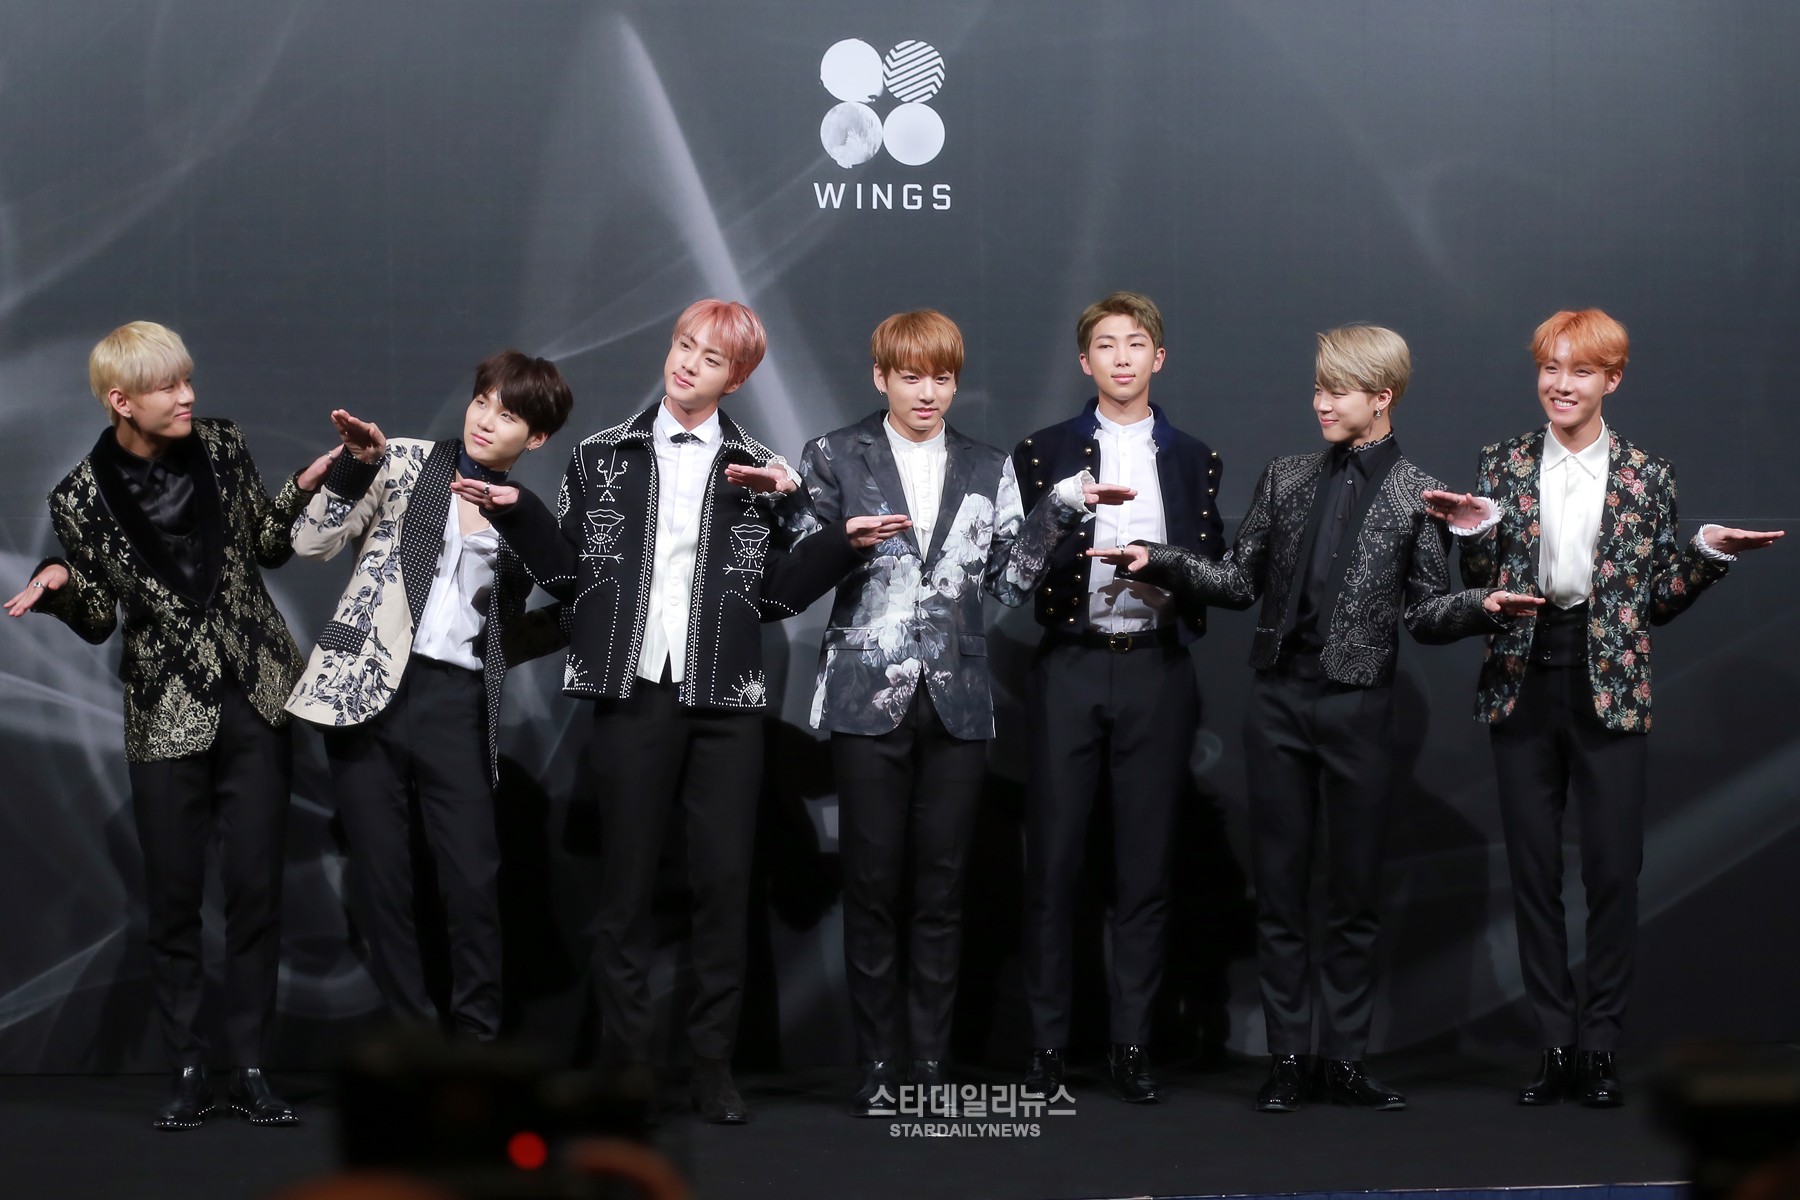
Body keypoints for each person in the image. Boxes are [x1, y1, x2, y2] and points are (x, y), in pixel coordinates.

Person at [457, 300, 897, 1123]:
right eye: (684, 345)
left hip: (725, 701)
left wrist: (840, 541)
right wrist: (517, 514)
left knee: (724, 887)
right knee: (623, 889)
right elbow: (571, 577)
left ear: (738, 378)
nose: (688, 363)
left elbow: (776, 596)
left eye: (711, 358)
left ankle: (712, 1067)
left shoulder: (762, 468)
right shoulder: (603, 454)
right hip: (631, 694)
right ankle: (625, 1068)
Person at [1092, 323, 1511, 1113]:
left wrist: (1481, 605)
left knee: (1353, 894)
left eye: (1338, 391)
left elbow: (1426, 613)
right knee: (1280, 889)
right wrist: (1161, 559)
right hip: (1279, 701)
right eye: (1318, 387)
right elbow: (1237, 580)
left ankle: (1343, 1060)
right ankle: (1288, 1060)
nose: (1321, 402)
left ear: (1382, 398)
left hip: (1361, 705)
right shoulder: (1285, 477)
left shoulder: (1419, 492)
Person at [1422, 309, 1782, 1108]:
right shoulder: (1502, 462)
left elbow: (1654, 603)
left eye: (1580, 370)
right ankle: (1555, 1043)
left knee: (1615, 872)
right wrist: (1473, 536)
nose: (1561, 384)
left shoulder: (1648, 474)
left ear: (1611, 380)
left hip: (1610, 684)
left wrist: (1707, 556)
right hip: (1522, 676)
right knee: (1533, 872)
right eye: (1550, 367)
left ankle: (1600, 1047)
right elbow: (1482, 586)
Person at [794, 310, 1132, 1116]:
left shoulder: (987, 464)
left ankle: (930, 1063)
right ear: (881, 377)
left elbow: (1009, 583)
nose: (928, 393)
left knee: (944, 889)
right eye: (911, 377)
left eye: (942, 378)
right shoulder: (834, 454)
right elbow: (798, 573)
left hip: (957, 699)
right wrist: (843, 540)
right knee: (871, 886)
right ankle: (878, 1063)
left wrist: (1060, 510)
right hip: (865, 693)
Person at [5, 321, 337, 1128]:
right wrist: (57, 584)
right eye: (167, 387)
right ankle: (189, 1065)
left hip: (255, 694)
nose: (188, 396)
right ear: (122, 401)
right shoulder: (79, 496)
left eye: (187, 380)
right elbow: (98, 617)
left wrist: (301, 487)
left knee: (256, 889)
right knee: (174, 897)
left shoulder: (222, 446)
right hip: (164, 711)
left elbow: (267, 545)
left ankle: (251, 1065)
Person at [285, 350, 574, 1043]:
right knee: (383, 881)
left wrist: (500, 647)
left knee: (473, 877)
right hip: (365, 691)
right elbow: (309, 542)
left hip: (457, 698)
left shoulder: (524, 515)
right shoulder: (404, 461)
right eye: (482, 402)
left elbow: (572, 594)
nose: (486, 420)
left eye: (509, 415)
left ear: (535, 438)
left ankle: (476, 1041)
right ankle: (416, 1042)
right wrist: (355, 467)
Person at [1011, 291, 1225, 1104]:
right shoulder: (1043, 451)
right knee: (1053, 864)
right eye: (1107, 344)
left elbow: (1215, 567)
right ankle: (1046, 1046)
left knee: (1145, 866)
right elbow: (1015, 568)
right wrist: (1068, 522)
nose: (1123, 357)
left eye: (1137, 343)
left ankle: (1132, 1044)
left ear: (1158, 358)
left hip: (1156, 669)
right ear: (1086, 361)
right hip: (1069, 664)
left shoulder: (1195, 456)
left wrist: (1163, 566)